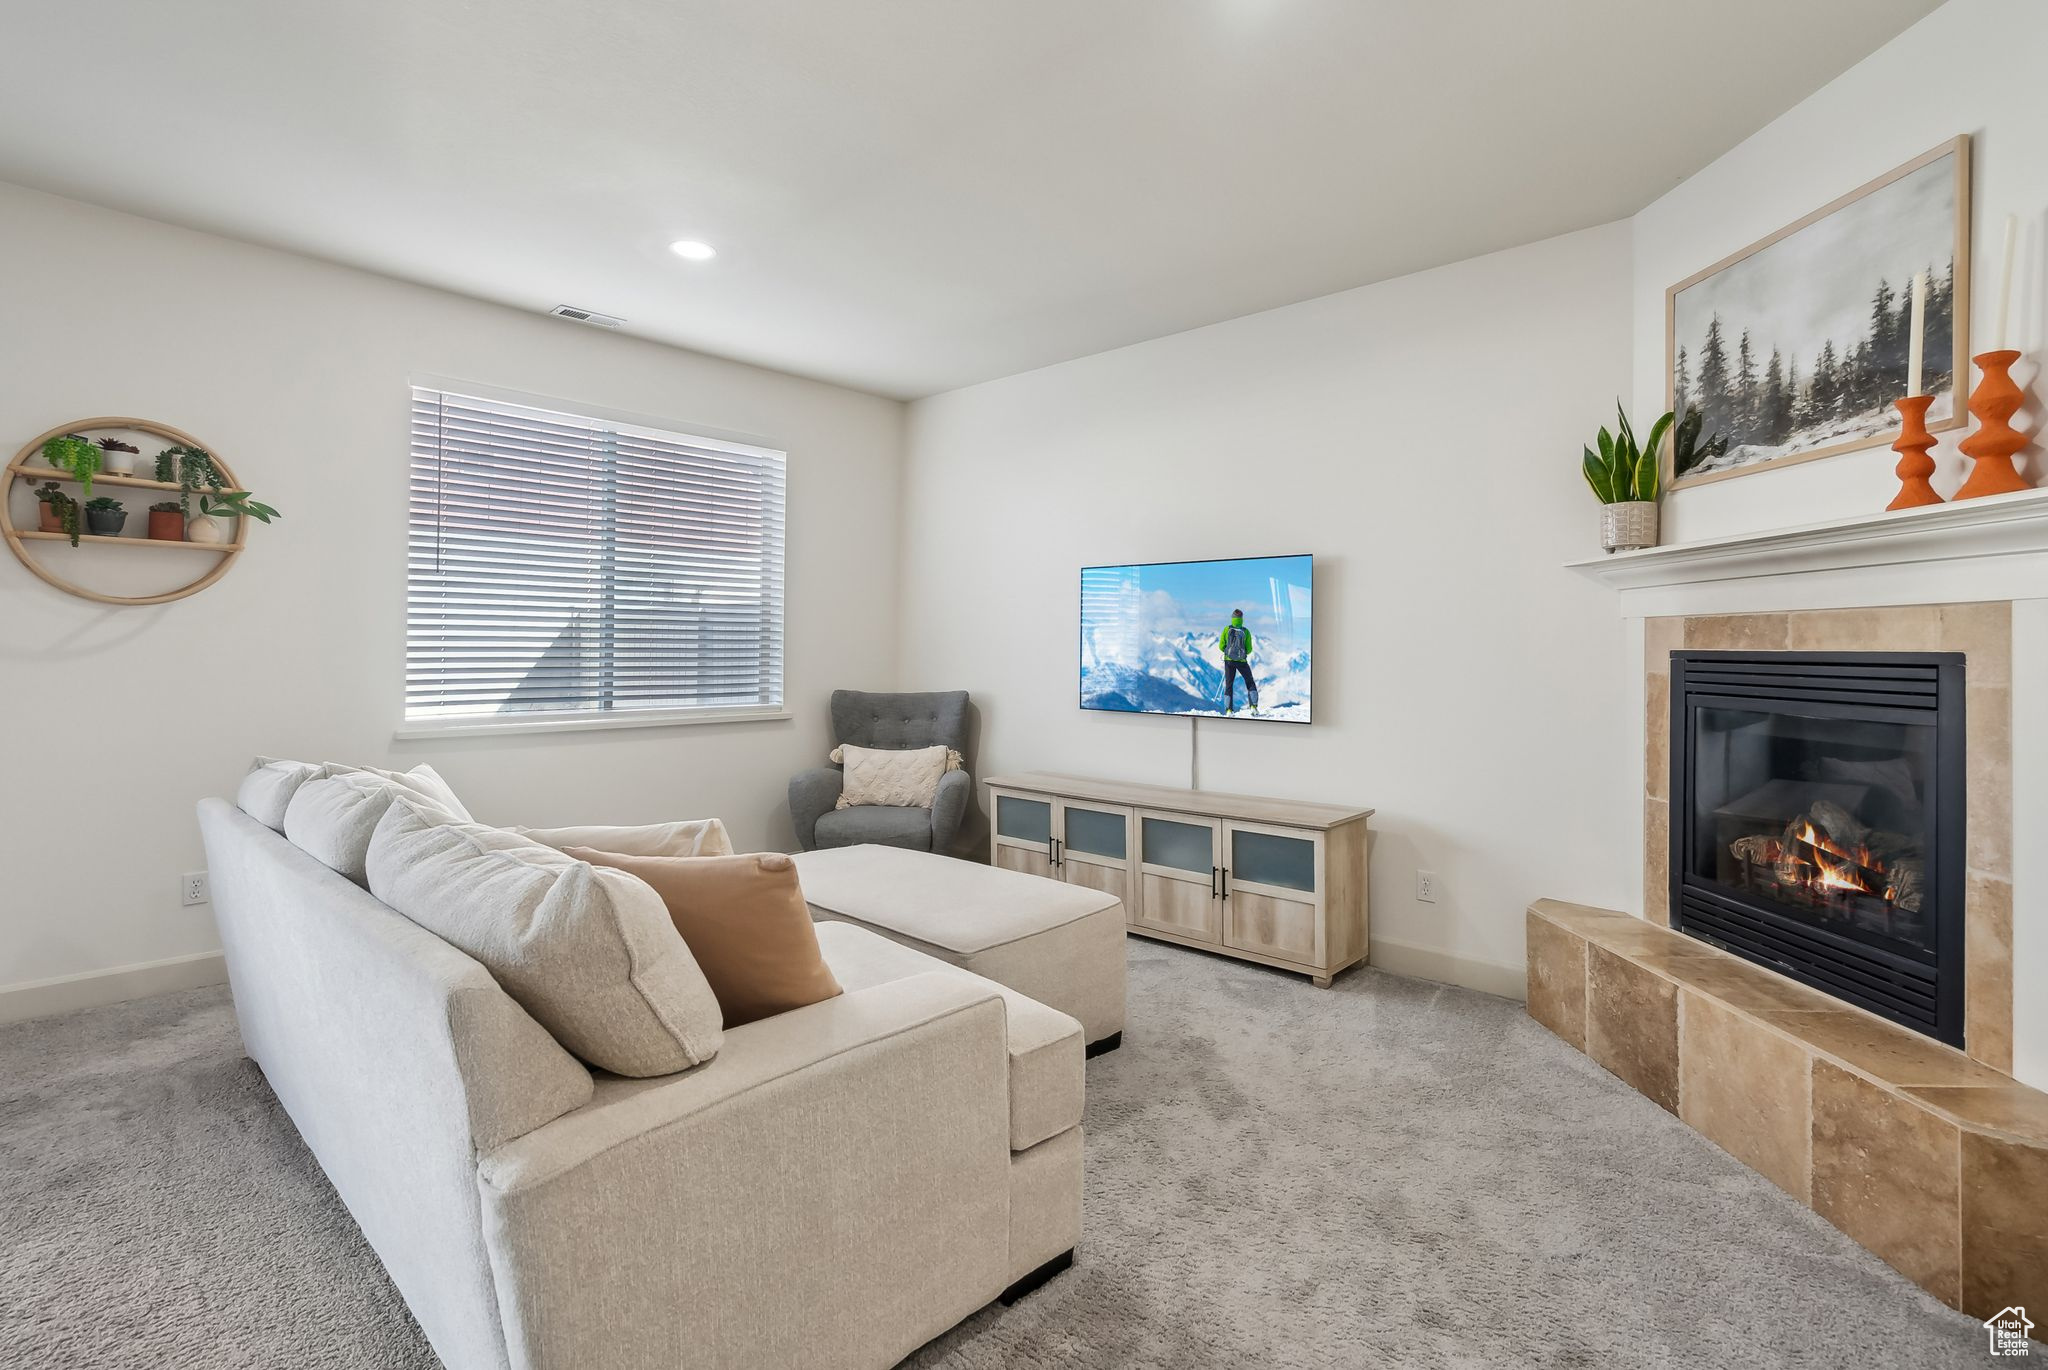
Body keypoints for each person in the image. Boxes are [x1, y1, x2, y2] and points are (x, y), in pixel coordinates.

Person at [1218, 609, 1258, 714]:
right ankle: (1253, 706)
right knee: (1249, 682)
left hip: (1229, 661)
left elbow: (1221, 646)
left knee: (1229, 685)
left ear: (1232, 618)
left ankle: (1229, 710)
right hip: (1242, 661)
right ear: (1241, 619)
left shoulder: (1227, 629)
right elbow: (1249, 650)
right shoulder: (1246, 631)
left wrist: (1228, 651)